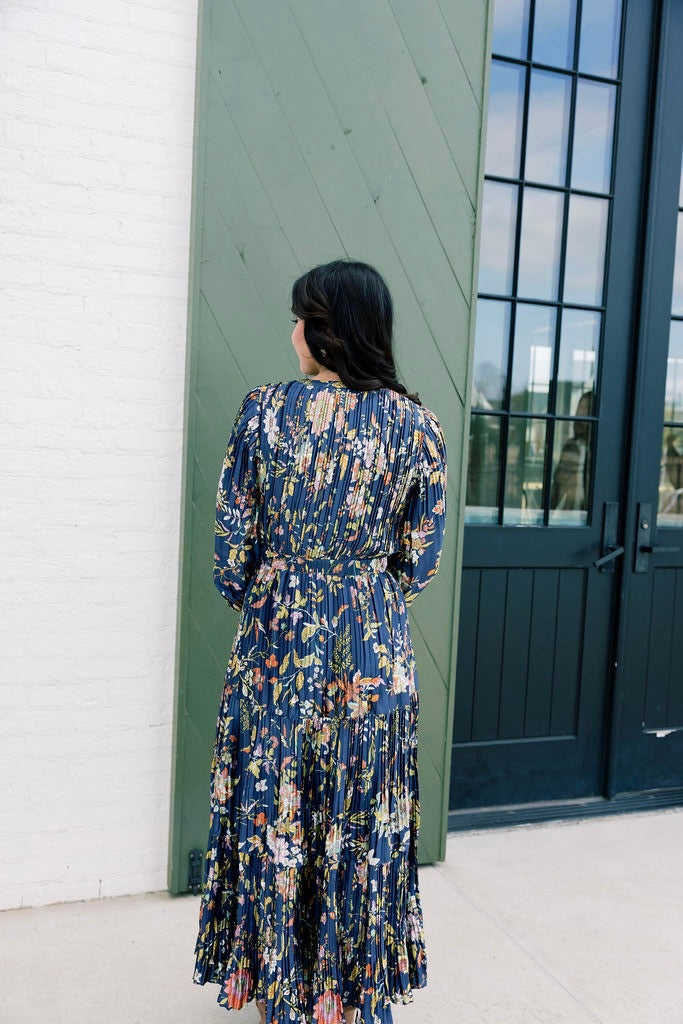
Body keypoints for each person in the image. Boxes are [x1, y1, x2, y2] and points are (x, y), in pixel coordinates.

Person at [192, 259, 448, 1024]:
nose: (292, 332)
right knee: (359, 823)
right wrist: (361, 595)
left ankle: (281, 989)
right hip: (371, 650)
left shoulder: (263, 414)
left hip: (277, 648)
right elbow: (420, 561)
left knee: (276, 814)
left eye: (298, 318)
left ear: (325, 329)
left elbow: (230, 555)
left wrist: (281, 593)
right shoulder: (417, 425)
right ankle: (349, 994)